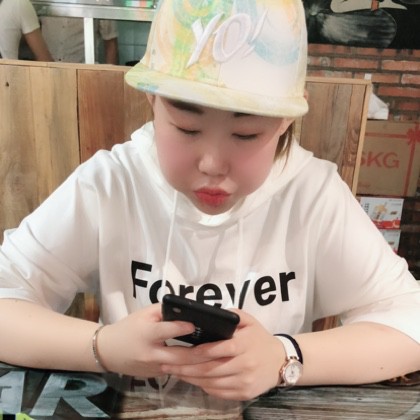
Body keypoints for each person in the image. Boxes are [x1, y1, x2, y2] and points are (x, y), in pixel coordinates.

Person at [0, 0, 419, 403]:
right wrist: (103, 347)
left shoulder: (312, 193)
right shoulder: (111, 183)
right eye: (187, 128)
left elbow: (408, 320)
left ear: (287, 119)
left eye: (246, 135)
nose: (213, 164)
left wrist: (284, 357)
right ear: (151, 99)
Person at [40, 16, 119, 64]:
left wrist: (111, 78)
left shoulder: (101, 1)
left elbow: (110, 42)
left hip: (83, 71)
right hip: (45, 68)